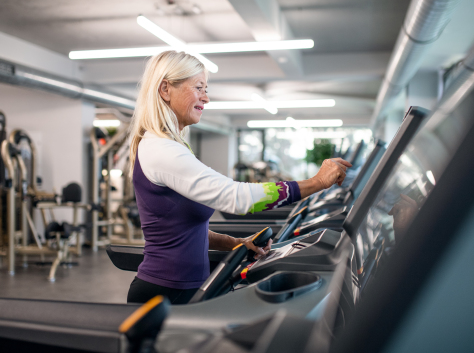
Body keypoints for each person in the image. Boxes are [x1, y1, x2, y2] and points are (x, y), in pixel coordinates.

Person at [126, 50, 352, 304]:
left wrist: (236, 243)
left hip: (184, 287)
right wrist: (316, 183)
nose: (206, 98)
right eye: (199, 87)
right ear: (165, 89)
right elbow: (236, 197)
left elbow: (185, 229)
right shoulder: (161, 149)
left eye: (206, 88)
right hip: (164, 294)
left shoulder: (170, 146)